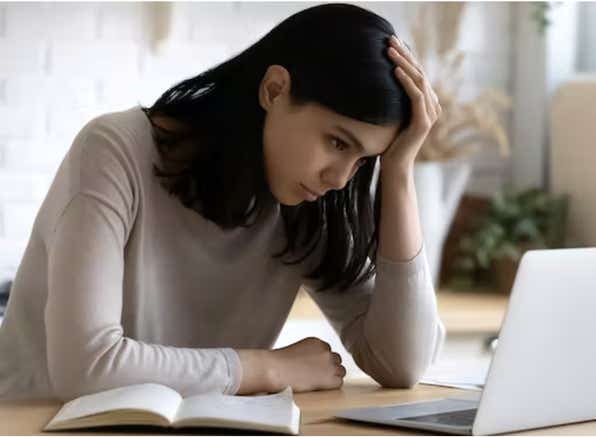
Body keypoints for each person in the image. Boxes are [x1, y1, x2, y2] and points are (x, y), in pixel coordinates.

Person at [0, 3, 445, 401]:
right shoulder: (115, 150)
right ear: (274, 90)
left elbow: (402, 363)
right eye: (336, 142)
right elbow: (85, 367)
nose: (340, 177)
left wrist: (399, 172)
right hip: (36, 425)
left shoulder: (312, 198)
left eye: (364, 159)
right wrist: (267, 367)